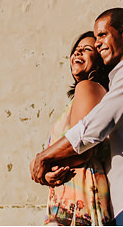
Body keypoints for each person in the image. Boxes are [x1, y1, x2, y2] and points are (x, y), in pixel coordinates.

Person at [31, 8, 123, 226]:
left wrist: (44, 158)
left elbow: (92, 129)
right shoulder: (119, 81)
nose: (98, 43)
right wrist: (48, 167)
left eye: (102, 35)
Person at [41, 32, 112, 226]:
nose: (78, 52)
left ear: (99, 63)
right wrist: (46, 172)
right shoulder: (82, 94)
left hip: (80, 191)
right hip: (71, 190)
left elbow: (81, 148)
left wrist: (42, 164)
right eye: (76, 49)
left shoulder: (88, 87)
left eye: (86, 49)